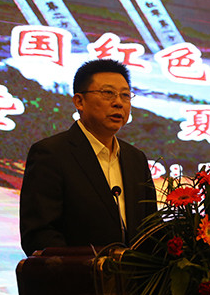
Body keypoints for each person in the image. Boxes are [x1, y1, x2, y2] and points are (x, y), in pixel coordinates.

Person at [19, 59, 157, 256]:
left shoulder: (136, 159)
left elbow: (150, 229)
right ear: (79, 101)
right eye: (108, 93)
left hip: (134, 276)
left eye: (125, 95)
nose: (118, 102)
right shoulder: (51, 154)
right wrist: (83, 268)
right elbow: (38, 234)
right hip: (77, 275)